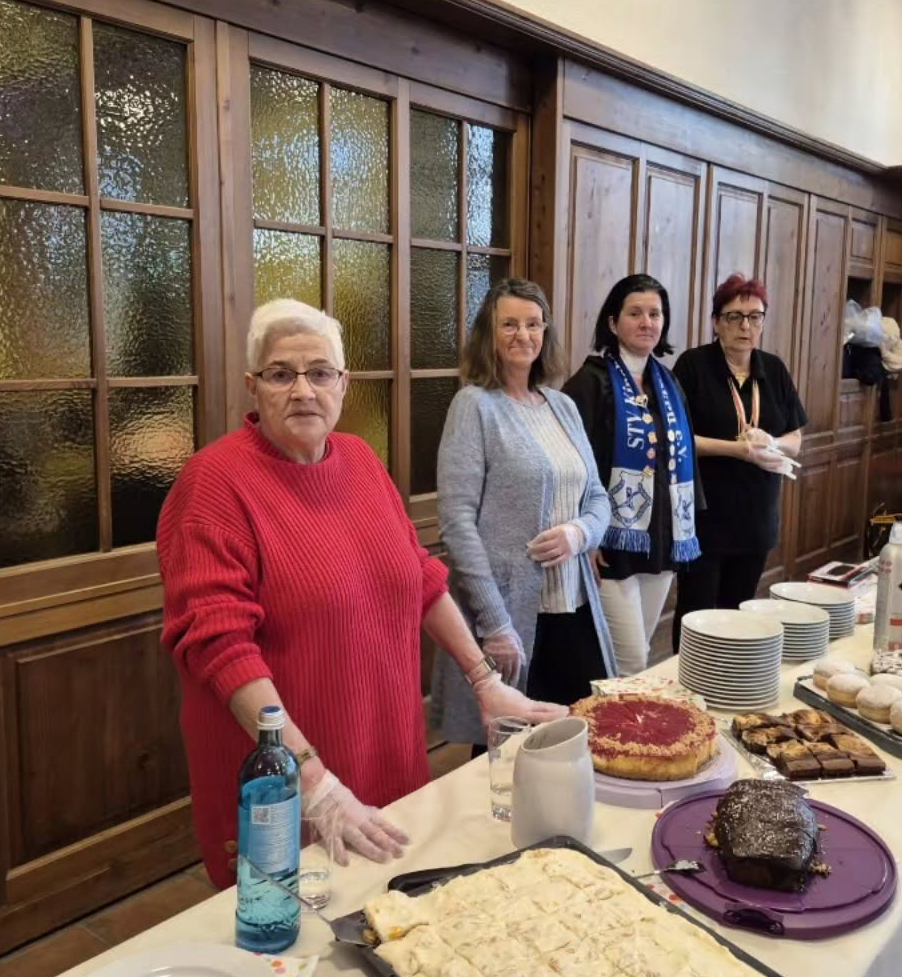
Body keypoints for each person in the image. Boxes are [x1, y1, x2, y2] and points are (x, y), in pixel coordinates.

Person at [157, 299, 566, 887]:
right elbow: (221, 648)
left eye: (320, 373)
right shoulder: (214, 485)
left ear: (343, 385)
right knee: (296, 944)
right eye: (281, 374)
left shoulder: (360, 461)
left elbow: (420, 578)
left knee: (392, 912)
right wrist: (312, 779)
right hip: (285, 776)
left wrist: (485, 681)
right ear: (253, 386)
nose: (303, 390)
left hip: (385, 746)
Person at [432, 278, 616, 750]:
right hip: (512, 612)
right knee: (507, 747)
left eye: (533, 324)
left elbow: (599, 498)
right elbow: (457, 523)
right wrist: (493, 622)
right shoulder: (473, 406)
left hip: (573, 606)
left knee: (580, 732)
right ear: (488, 334)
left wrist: (579, 534)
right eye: (509, 324)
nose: (523, 335)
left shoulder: (563, 406)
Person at [562, 274, 703, 675]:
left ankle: (623, 730)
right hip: (611, 543)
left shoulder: (668, 381)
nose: (647, 322)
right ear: (612, 323)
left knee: (639, 648)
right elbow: (572, 467)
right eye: (635, 313)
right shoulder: (589, 383)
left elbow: (684, 453)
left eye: (655, 314)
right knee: (629, 661)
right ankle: (623, 734)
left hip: (661, 538)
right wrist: (585, 536)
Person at [671, 273, 807, 651]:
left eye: (755, 316)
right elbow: (679, 440)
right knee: (695, 613)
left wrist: (770, 443)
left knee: (739, 612)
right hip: (704, 516)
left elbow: (796, 440)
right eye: (734, 316)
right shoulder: (693, 366)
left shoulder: (773, 369)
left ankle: (728, 687)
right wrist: (738, 450)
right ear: (716, 322)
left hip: (756, 516)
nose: (745, 326)